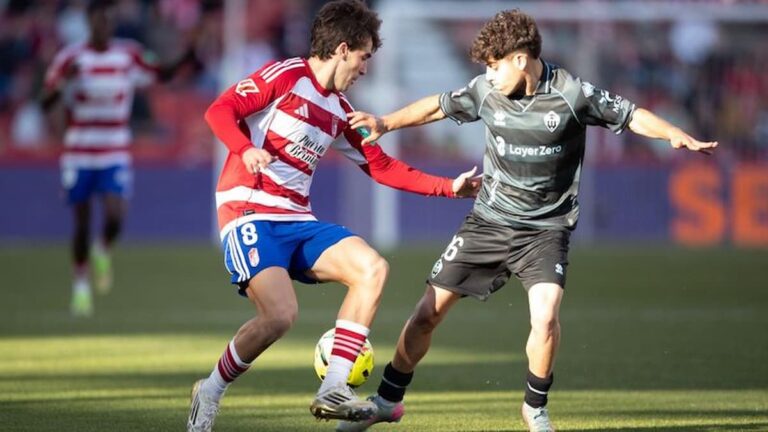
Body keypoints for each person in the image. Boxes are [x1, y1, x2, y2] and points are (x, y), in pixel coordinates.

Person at [339, 9, 718, 432]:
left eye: (494, 65)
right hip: (489, 221)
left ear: (520, 59)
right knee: (427, 313)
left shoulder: (572, 94)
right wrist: (387, 122)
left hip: (545, 230)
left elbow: (629, 114)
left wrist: (672, 133)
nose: (488, 74)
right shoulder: (486, 91)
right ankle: (388, 400)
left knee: (547, 314)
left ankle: (534, 408)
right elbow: (438, 107)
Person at [186, 1, 481, 431]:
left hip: (297, 219)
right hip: (248, 210)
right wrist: (246, 148)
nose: (365, 69)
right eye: (363, 57)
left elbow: (381, 167)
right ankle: (210, 389)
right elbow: (219, 110)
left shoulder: (341, 111)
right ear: (342, 49)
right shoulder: (285, 76)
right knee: (280, 317)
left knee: (372, 268)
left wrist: (448, 187)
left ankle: (334, 387)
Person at [41, 0, 199, 317]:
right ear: (89, 24)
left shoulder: (127, 54)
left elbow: (161, 72)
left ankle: (103, 248)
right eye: (99, 22)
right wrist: (63, 85)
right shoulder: (71, 58)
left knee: (115, 213)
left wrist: (186, 56)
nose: (105, 27)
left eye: (108, 22)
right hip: (80, 151)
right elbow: (45, 100)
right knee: (82, 220)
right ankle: (81, 287)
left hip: (114, 149)